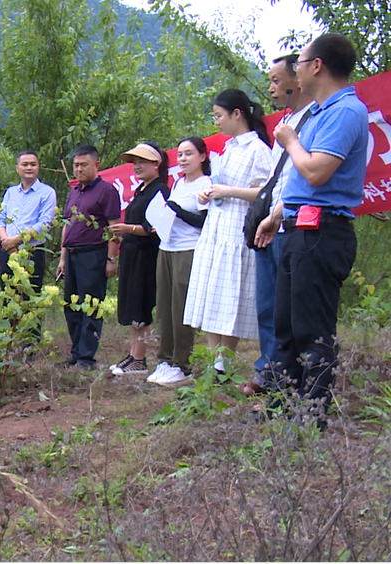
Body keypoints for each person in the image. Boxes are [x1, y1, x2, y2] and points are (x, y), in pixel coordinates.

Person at [255, 33, 369, 425]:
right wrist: (276, 216)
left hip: (322, 233)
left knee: (312, 331)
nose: (294, 73)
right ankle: (283, 406)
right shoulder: (320, 112)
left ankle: (311, 417)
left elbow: (316, 172)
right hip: (297, 228)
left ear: (316, 66)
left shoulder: (346, 111)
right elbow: (301, 185)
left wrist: (289, 141)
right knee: (285, 326)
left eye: (299, 64)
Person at [239, 54, 314, 396]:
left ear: (297, 80)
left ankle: (289, 379)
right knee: (267, 304)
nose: (270, 87)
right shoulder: (285, 121)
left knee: (288, 310)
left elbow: (304, 178)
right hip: (270, 224)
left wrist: (277, 215)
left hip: (292, 225)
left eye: (275, 80)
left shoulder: (314, 119)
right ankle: (268, 370)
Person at [183, 88, 273, 373]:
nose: (217, 122)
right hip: (216, 227)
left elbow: (267, 190)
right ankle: (213, 361)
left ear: (238, 114)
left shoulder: (258, 149)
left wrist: (229, 191)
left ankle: (225, 362)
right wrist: (209, 194)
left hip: (238, 230)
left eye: (219, 116)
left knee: (231, 294)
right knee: (212, 292)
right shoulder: (229, 147)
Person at [147, 138, 211, 386]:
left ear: (202, 157)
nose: (183, 159)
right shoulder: (178, 183)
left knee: (181, 308)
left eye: (189, 154)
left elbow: (203, 221)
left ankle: (181, 364)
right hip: (167, 246)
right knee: (164, 307)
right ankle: (164, 359)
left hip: (188, 249)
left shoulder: (206, 184)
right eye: (180, 155)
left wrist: (176, 210)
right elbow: (171, 212)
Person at [55, 144, 122, 370]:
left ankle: (86, 357)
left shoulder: (106, 191)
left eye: (84, 165)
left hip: (93, 254)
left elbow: (114, 228)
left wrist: (111, 260)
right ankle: (76, 352)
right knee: (71, 306)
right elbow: (67, 226)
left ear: (96, 165)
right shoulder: (75, 191)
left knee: (90, 306)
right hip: (72, 255)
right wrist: (63, 258)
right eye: (76, 165)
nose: (79, 169)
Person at [108, 143, 169, 376]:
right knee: (131, 305)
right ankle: (133, 354)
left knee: (141, 306)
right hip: (132, 254)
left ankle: (140, 358)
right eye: (135, 162)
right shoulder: (141, 190)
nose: (137, 166)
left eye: (143, 161)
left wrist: (129, 229)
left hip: (146, 255)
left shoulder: (160, 190)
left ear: (157, 163)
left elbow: (155, 227)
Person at [0, 150, 57, 296]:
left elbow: (44, 224)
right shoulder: (10, 192)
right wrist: (6, 242)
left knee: (29, 299)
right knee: (7, 298)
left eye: (33, 164)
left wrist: (15, 241)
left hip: (32, 253)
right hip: (7, 251)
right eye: (25, 164)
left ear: (38, 167)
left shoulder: (47, 192)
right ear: (17, 168)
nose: (29, 168)